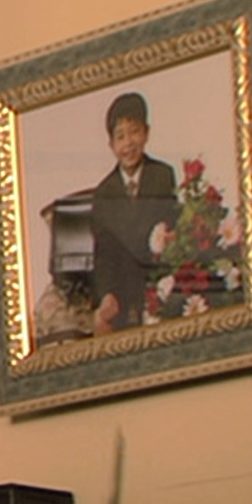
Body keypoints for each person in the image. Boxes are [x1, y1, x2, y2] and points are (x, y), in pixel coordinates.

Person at [88, 92, 179, 332]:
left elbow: (171, 223)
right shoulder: (103, 194)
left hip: (158, 277)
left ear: (146, 133)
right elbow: (103, 254)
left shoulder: (162, 175)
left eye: (135, 132)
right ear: (111, 145)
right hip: (122, 287)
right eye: (120, 136)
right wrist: (107, 294)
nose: (128, 143)